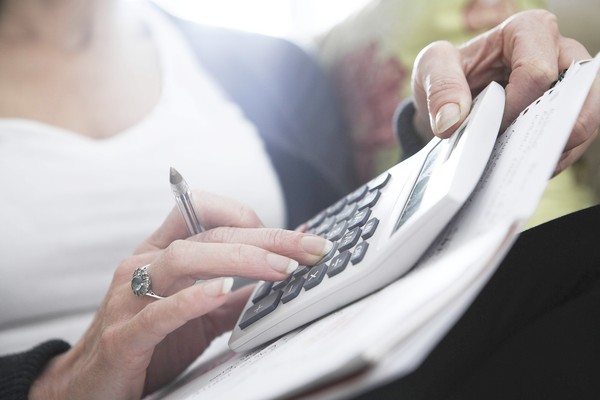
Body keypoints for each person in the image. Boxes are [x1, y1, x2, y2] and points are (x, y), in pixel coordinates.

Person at [1, 7, 599, 400]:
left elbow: (349, 239)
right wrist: (55, 384)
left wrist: (451, 132)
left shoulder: (267, 68)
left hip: (317, 366)